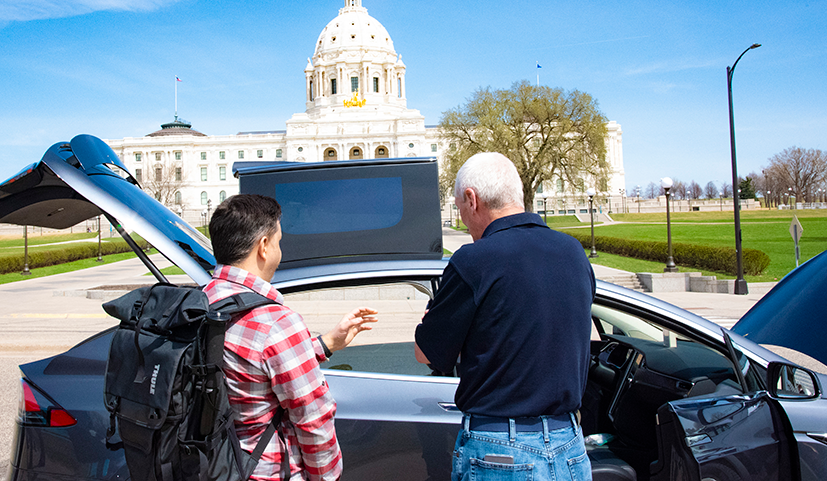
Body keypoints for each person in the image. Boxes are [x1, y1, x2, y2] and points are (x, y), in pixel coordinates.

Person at [415, 153, 594, 481]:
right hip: (569, 443)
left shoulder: (473, 260)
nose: (463, 220)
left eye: (459, 207)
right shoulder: (573, 252)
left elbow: (427, 353)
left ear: (472, 199)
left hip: (498, 446)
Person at [204, 194, 378, 481]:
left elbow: (253, 367)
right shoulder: (275, 323)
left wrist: (326, 343)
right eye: (278, 241)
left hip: (214, 468)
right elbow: (314, 420)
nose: (279, 250)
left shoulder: (201, 303)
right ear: (263, 246)